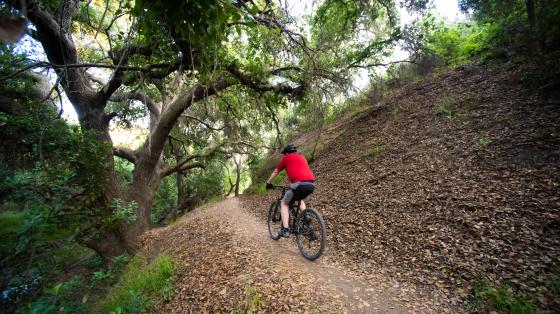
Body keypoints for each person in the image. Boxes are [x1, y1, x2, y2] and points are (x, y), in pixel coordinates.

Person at [266, 144, 316, 237]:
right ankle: (305, 216)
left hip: (298, 184)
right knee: (299, 197)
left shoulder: (287, 158)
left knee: (284, 203)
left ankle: (285, 230)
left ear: (286, 153)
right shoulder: (302, 157)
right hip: (311, 184)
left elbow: (276, 171)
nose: (283, 156)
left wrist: (268, 183)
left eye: (283, 154)